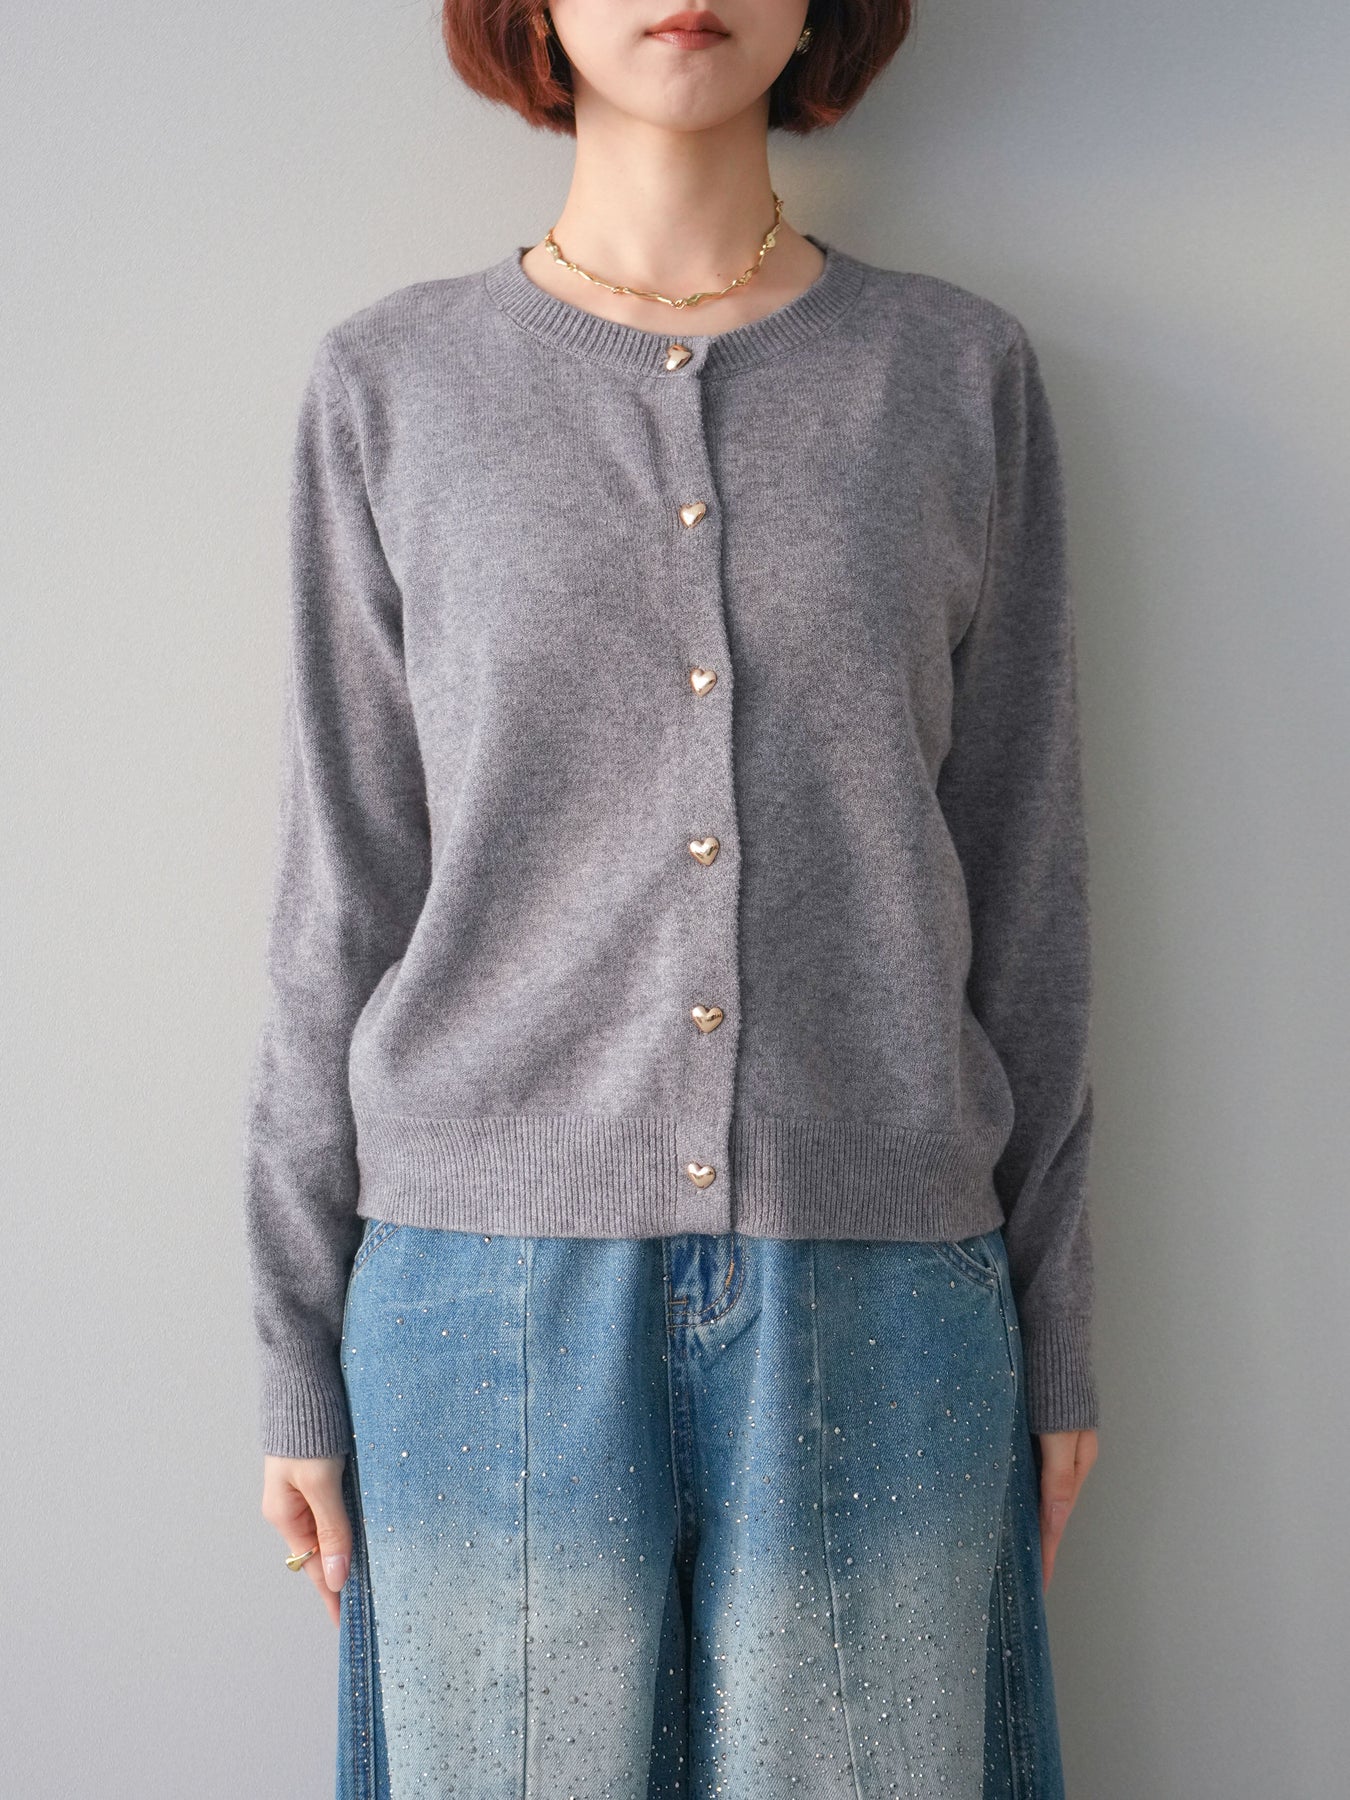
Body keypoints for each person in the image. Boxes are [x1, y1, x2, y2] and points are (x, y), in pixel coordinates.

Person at [243, 3, 1101, 1794]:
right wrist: (295, 1352)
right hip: (481, 1309)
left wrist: (1058, 1323)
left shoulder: (953, 376)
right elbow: (343, 887)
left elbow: (1027, 876)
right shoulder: (392, 388)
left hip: (883, 1288)